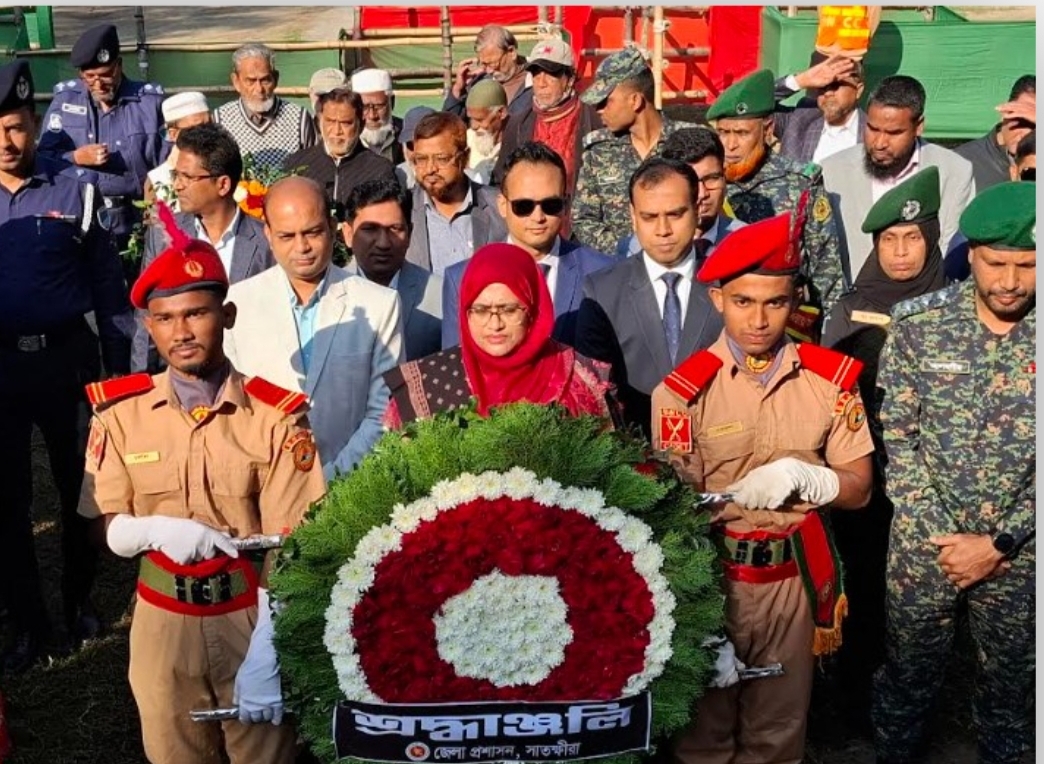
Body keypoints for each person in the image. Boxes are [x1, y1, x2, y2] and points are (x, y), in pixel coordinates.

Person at [77, 208, 328, 763]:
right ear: (148, 326)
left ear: (227, 315)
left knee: (265, 753)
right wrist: (152, 530)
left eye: (196, 313)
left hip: (250, 616)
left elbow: (299, 543)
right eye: (165, 319)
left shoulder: (275, 418)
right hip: (162, 621)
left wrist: (268, 647)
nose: (182, 332)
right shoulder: (120, 415)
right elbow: (100, 523)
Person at [651, 211, 874, 764]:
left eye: (774, 302)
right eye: (743, 301)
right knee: (704, 736)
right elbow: (675, 510)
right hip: (712, 577)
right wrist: (695, 612)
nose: (758, 319)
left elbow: (860, 490)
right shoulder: (682, 394)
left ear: (793, 301)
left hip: (791, 580)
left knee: (777, 734)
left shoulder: (829, 382)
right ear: (718, 300)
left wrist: (813, 477)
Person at [872, 181, 1035, 764]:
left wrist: (1000, 541)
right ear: (972, 255)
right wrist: (944, 536)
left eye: (1027, 266)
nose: (1009, 281)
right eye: (996, 264)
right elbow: (897, 437)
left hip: (1021, 553)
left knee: (1012, 690)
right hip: (925, 546)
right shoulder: (920, 324)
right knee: (907, 678)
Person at [0, 58, 132, 673]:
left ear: (35, 123)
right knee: (8, 502)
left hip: (68, 363)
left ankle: (79, 601)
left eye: (16, 126)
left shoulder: (74, 188)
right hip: (1, 368)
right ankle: (28, 623)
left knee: (82, 488)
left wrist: (117, 373)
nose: (7, 141)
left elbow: (108, 287)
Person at [818, 166, 947, 723]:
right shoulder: (851, 306)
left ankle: (919, 706)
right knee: (865, 582)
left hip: (934, 481)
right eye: (888, 239)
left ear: (932, 238)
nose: (899, 252)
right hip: (867, 472)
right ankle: (854, 701)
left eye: (912, 238)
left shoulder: (953, 304)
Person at [224, 176, 403, 481]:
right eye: (287, 236)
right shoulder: (239, 303)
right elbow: (233, 410)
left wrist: (329, 482)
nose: (302, 247)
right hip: (265, 485)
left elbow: (384, 412)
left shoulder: (379, 304)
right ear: (268, 234)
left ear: (332, 228)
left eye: (312, 232)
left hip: (351, 486)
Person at [383, 242, 617, 428]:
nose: (495, 324)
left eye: (509, 309)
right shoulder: (429, 384)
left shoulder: (578, 378)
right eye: (481, 310)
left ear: (532, 311)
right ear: (465, 312)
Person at [575, 157, 723, 439]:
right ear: (633, 215)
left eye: (675, 214)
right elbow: (595, 392)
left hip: (719, 449)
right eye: (649, 217)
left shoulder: (727, 284)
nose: (663, 230)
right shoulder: (602, 291)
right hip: (634, 451)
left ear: (697, 210)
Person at [132, 123, 276, 373]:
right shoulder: (163, 235)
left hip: (248, 375)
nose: (177, 186)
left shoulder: (266, 241)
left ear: (223, 184)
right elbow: (147, 313)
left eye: (187, 177)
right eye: (176, 176)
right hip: (181, 376)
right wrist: (143, 379)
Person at [705, 68, 847, 321]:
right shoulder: (706, 182)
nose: (730, 145)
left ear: (768, 129)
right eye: (724, 132)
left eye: (742, 133)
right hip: (716, 317)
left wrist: (833, 331)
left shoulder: (800, 183)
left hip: (783, 320)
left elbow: (826, 268)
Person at [443, 142, 614, 349]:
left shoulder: (603, 273)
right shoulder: (461, 278)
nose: (538, 217)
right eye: (523, 206)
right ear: (502, 205)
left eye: (551, 205)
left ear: (566, 204)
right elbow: (457, 361)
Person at [820, 75, 976, 282]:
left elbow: (953, 247)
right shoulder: (832, 171)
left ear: (918, 126)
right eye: (872, 129)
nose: (879, 143)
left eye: (893, 133)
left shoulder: (954, 171)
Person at [38, 23, 165, 259]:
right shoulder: (65, 101)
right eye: (90, 77)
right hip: (78, 219)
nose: (99, 84)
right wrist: (76, 157)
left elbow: (168, 164)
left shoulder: (149, 103)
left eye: (106, 74)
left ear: (119, 65)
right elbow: (43, 158)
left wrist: (156, 210)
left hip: (137, 220)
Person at [573, 47, 692, 255]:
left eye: (606, 101)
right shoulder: (599, 150)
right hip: (622, 266)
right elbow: (583, 219)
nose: (599, 110)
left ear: (635, 100)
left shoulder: (687, 143)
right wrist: (626, 250)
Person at [342, 177, 443, 362]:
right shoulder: (329, 293)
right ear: (348, 234)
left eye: (395, 229)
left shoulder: (439, 294)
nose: (383, 243)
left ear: (410, 233)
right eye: (370, 229)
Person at [491, 37, 601, 196]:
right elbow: (501, 179)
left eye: (550, 74)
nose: (541, 83)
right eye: (536, 74)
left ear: (569, 79)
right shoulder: (518, 124)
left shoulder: (593, 120)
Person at [617, 127, 746, 258]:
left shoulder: (748, 244)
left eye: (712, 179)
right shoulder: (633, 250)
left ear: (724, 176)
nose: (702, 194)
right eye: (692, 181)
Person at [404, 111, 507, 275]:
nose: (430, 169)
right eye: (421, 159)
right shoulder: (404, 209)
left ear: (464, 158)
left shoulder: (499, 208)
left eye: (441, 159)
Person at [281, 87, 397, 215]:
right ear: (319, 122)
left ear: (361, 125)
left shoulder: (379, 171)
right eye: (330, 122)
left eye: (346, 123)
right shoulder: (296, 165)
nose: (337, 131)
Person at [212, 43, 317, 174]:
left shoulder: (298, 118)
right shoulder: (221, 120)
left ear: (276, 79)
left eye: (265, 80)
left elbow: (313, 167)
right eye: (251, 81)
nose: (259, 89)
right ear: (236, 82)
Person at [772, 54, 867, 165]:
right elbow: (754, 105)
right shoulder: (800, 119)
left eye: (836, 85)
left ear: (858, 90)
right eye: (823, 86)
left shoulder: (875, 133)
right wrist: (801, 81)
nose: (828, 93)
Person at [955, 75, 1035, 191]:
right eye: (1020, 120)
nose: (1026, 133)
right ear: (1005, 113)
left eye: (1036, 126)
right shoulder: (961, 161)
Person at [444, 25, 533, 120]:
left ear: (511, 52)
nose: (488, 70)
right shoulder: (480, 82)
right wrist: (458, 90)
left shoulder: (536, 81)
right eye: (483, 64)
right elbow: (448, 124)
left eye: (493, 64)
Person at [144, 91, 211, 209]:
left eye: (210, 125)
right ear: (173, 134)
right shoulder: (157, 180)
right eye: (197, 128)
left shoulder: (230, 165)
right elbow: (157, 219)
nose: (208, 133)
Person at [351, 67, 404, 166]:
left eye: (379, 106)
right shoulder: (347, 139)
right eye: (365, 107)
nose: (372, 116)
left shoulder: (405, 135)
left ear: (392, 102)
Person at [464, 79, 509, 185]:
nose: (474, 126)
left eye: (480, 120)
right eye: (471, 119)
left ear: (501, 113)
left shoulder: (517, 139)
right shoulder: (467, 140)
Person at [394, 105, 436, 191]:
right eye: (411, 145)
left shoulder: (453, 176)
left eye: (424, 145)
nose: (417, 153)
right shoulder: (396, 177)